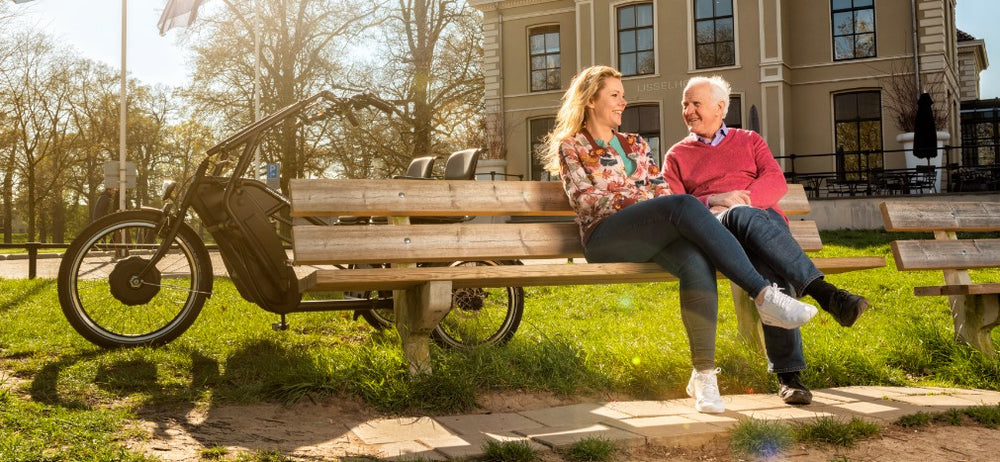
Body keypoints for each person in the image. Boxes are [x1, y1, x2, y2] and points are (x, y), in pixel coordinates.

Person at [542, 65, 818, 414]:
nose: (623, 102)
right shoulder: (573, 146)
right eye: (615, 95)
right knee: (684, 204)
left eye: (622, 95)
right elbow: (587, 200)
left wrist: (650, 199)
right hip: (606, 237)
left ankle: (703, 375)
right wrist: (647, 200)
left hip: (651, 234)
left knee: (696, 261)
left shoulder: (636, 143)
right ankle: (764, 295)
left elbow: (659, 189)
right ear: (591, 99)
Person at [662, 75, 872, 406]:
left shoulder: (749, 140)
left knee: (768, 259)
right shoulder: (677, 155)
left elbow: (775, 181)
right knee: (745, 223)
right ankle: (826, 299)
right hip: (713, 227)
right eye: (684, 105)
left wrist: (743, 202)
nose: (688, 110)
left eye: (695, 103)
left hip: (760, 218)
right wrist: (717, 199)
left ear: (720, 107)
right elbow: (673, 205)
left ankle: (791, 377)